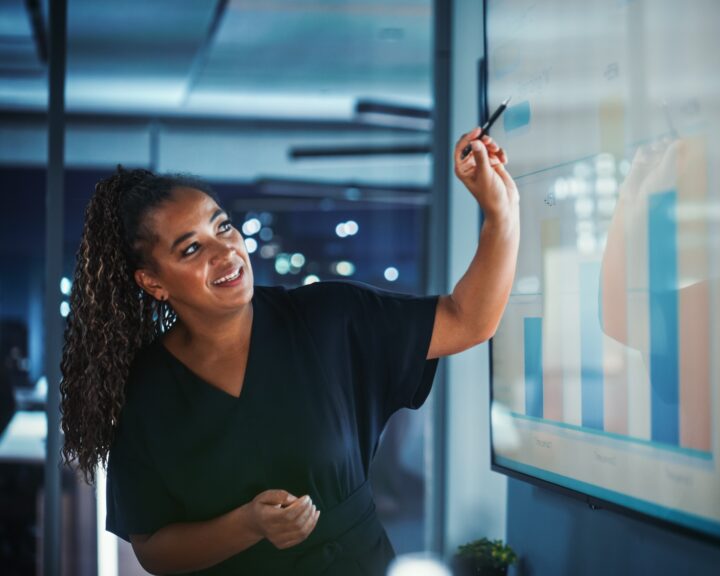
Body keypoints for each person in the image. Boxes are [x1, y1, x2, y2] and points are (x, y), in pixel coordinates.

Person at [58, 128, 518, 575]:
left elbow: (467, 320)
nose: (225, 253)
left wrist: (501, 214)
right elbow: (153, 550)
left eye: (223, 227)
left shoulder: (330, 318)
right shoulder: (146, 391)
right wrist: (247, 525)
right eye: (192, 248)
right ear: (153, 282)